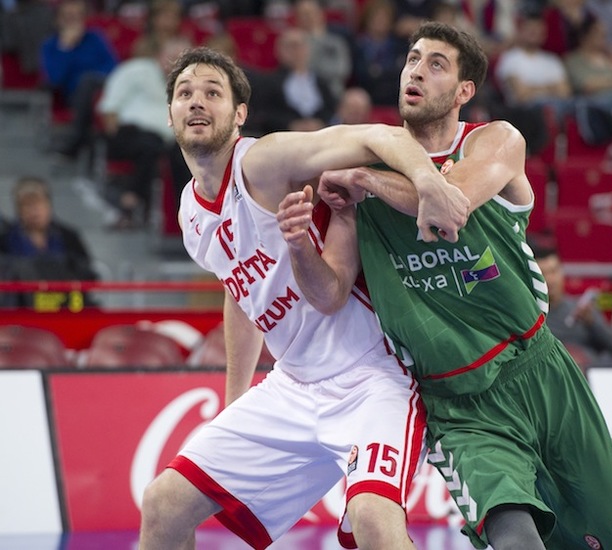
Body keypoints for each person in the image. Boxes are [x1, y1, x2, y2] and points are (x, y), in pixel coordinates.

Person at [277, 21, 612, 548]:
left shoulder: (495, 141)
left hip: (540, 373)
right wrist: (300, 245)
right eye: (412, 59)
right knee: (514, 537)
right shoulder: (362, 162)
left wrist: (365, 182)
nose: (416, 71)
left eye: (436, 64)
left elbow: (447, 206)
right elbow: (329, 293)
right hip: (456, 404)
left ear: (464, 92)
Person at [139, 46, 470, 550]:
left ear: (239, 114)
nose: (197, 102)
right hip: (292, 384)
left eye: (212, 92)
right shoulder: (191, 215)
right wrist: (234, 404)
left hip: (372, 376)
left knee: (374, 522)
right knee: (163, 506)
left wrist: (428, 182)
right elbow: (240, 292)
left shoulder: (265, 162)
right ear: (169, 114)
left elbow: (375, 135)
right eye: (185, 94)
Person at [96, 36, 192, 228]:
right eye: (172, 57)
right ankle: (130, 203)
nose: (176, 64)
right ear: (160, 56)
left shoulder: (190, 85)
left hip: (168, 142)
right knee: (150, 145)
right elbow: (109, 108)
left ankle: (184, 218)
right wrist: (111, 130)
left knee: (184, 156)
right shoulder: (136, 71)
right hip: (127, 133)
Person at [0, 176, 99, 308]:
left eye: (38, 204)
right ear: (18, 210)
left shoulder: (69, 236)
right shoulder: (5, 239)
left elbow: (88, 274)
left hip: (67, 308)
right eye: (27, 205)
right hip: (22, 310)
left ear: (49, 205)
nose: (33, 211)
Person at [41, 0, 118, 160]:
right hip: (71, 96)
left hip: (103, 92)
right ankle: (84, 141)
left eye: (77, 17)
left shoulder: (95, 38)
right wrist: (66, 48)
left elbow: (113, 67)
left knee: (88, 81)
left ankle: (76, 140)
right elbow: (55, 79)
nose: (73, 22)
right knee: (85, 83)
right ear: (58, 20)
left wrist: (96, 76)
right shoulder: (51, 46)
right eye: (68, 17)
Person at [534, 243, 612, 367]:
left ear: (562, 273)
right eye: (543, 273)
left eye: (554, 271)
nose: (550, 279)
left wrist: (592, 322)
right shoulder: (531, 315)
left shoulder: (582, 307)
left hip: (587, 373)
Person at [250, 27, 339, 134]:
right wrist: (291, 124)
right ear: (279, 51)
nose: (296, 51)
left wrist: (320, 123)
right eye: (290, 46)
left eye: (299, 45)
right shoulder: (268, 82)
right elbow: (264, 113)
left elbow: (332, 109)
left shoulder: (321, 82)